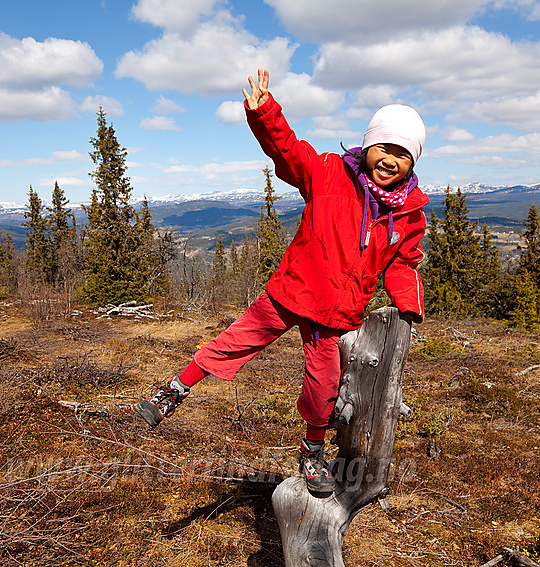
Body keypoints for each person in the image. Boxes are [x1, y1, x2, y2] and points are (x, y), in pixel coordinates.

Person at [136, 69, 428, 498]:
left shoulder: (409, 213)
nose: (391, 160)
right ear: (368, 145)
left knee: (324, 386)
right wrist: (264, 111)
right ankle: (173, 391)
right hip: (291, 291)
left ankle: (312, 453)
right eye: (385, 147)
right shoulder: (328, 172)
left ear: (413, 161)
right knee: (235, 340)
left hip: (335, 313)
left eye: (403, 154)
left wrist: (407, 306)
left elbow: (403, 264)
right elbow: (288, 150)